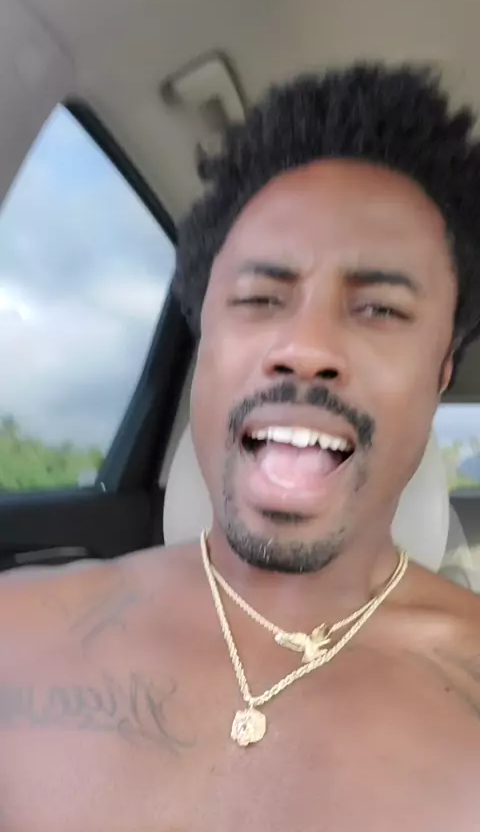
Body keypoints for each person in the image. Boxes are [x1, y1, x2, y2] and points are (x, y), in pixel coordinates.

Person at [1, 63, 480, 831]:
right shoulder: (16, 630)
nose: (306, 348)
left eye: (381, 309)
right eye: (259, 298)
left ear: (441, 371)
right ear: (206, 344)